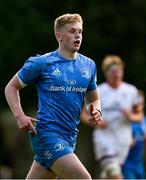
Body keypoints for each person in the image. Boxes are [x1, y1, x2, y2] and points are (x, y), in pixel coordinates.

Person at [4, 13, 102, 179]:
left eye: (80, 31)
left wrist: (96, 110)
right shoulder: (41, 62)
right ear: (59, 36)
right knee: (83, 178)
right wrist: (19, 116)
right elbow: (11, 87)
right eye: (72, 31)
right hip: (47, 134)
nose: (78, 35)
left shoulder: (89, 65)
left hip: (69, 137)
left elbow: (93, 98)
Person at [92, 55, 143, 179]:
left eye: (119, 71)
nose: (116, 74)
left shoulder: (131, 91)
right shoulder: (99, 91)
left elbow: (139, 116)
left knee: (109, 175)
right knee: (115, 173)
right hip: (104, 140)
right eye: (113, 71)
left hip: (123, 142)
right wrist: (98, 121)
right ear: (106, 73)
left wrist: (130, 116)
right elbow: (84, 114)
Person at [122, 90, 146, 179]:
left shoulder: (143, 121)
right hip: (126, 164)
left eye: (141, 103)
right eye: (136, 103)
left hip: (139, 164)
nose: (138, 106)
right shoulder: (126, 121)